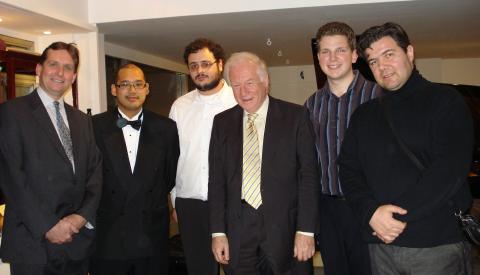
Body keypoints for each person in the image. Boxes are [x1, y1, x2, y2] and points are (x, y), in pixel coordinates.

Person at [338, 22, 474, 274]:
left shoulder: (445, 101)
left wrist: (394, 218)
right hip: (380, 246)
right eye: (374, 61)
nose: (382, 66)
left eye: (389, 54)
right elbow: (348, 169)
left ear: (409, 53)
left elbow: (449, 169)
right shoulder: (364, 115)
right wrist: (370, 213)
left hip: (435, 246)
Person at [209, 52, 319, 275]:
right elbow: (217, 181)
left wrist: (306, 230)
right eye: (236, 85)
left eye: (250, 83)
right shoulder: (222, 123)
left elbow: (308, 176)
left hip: (285, 231)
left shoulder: (296, 116)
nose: (243, 91)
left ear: (265, 81)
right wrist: (218, 233)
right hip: (239, 232)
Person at [0, 42, 102, 275]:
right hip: (32, 244)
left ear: (74, 76)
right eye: (53, 65)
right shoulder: (11, 113)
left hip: (77, 243)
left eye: (67, 68)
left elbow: (95, 175)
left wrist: (80, 218)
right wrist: (48, 226)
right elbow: (12, 179)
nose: (60, 73)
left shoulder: (82, 121)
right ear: (39, 69)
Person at [304, 22, 382, 275]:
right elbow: (307, 161)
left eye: (340, 50)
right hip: (326, 210)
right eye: (325, 52)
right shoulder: (311, 105)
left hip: (368, 207)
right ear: (318, 58)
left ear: (354, 54)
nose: (332, 58)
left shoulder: (378, 97)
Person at [89, 63, 179, 275]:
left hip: (151, 235)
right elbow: (88, 177)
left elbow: (170, 175)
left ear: (147, 89)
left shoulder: (166, 128)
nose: (132, 90)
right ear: (114, 89)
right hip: (108, 236)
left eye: (138, 84)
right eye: (125, 84)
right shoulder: (93, 126)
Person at [169, 38, 237, 275]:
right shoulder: (179, 106)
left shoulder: (238, 100)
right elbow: (174, 156)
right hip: (191, 204)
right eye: (193, 66)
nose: (199, 71)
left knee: (239, 267)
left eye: (205, 64)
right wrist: (176, 198)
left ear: (219, 64)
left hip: (233, 203)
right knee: (199, 269)